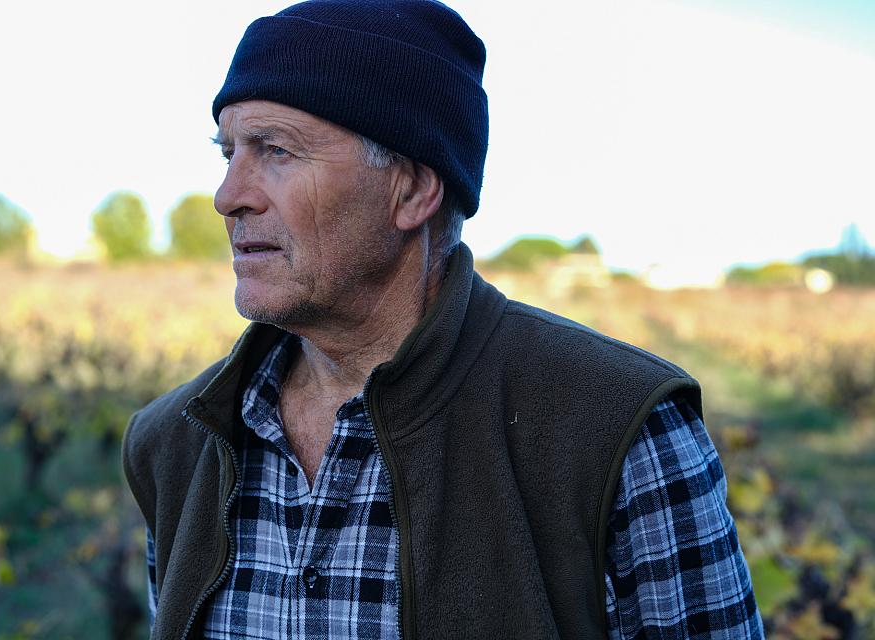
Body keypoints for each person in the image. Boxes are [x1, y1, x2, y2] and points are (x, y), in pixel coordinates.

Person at [121, 1, 763, 638]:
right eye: (228, 151)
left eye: (277, 151)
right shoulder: (175, 444)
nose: (227, 195)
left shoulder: (623, 435)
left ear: (413, 190)